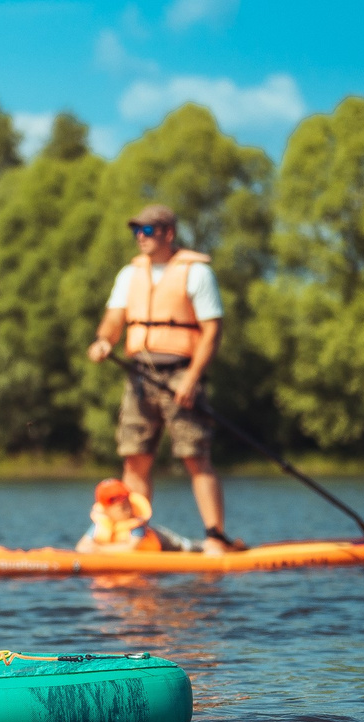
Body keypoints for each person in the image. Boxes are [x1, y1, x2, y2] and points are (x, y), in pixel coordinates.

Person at [84, 202, 244, 554]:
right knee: (134, 456)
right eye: (136, 231)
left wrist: (192, 379)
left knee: (194, 455)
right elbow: (114, 319)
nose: (139, 238)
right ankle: (133, 535)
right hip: (139, 373)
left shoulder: (196, 273)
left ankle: (216, 537)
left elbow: (211, 331)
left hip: (180, 373)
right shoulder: (130, 274)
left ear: (168, 234)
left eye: (147, 231)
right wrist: (104, 341)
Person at [77, 479, 168, 554]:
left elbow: (131, 548)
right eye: (113, 499)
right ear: (105, 509)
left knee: (179, 544)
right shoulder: (101, 524)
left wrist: (99, 550)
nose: (121, 502)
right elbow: (81, 546)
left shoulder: (137, 525)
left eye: (124, 496)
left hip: (165, 543)